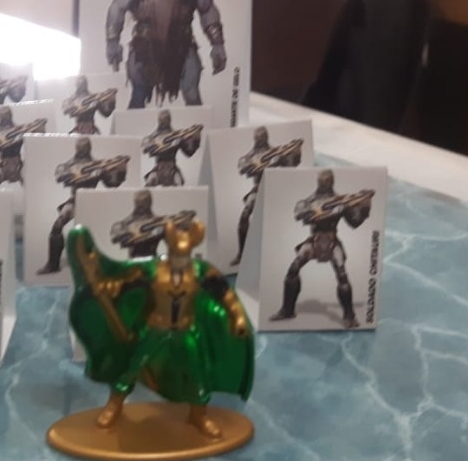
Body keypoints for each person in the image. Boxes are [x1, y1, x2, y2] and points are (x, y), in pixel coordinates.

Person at [67, 220, 254, 438]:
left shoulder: (200, 271)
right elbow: (125, 284)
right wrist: (104, 286)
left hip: (185, 332)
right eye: (176, 254)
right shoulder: (153, 270)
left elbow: (225, 294)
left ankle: (199, 414)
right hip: (155, 330)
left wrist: (237, 317)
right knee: (133, 367)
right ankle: (114, 405)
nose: (179, 260)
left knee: (197, 372)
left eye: (184, 256)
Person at [104, 0, 226, 108]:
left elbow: (207, 10)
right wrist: (112, 41)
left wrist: (217, 44)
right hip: (144, 46)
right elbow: (117, 8)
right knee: (138, 95)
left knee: (191, 93)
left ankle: (198, 126)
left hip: (182, 45)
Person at [270, 169, 374, 328]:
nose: (324, 183)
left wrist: (365, 207)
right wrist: (329, 211)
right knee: (293, 270)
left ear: (331, 181)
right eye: (322, 180)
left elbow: (355, 223)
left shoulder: (343, 201)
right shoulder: (311, 200)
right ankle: (287, 310)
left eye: (326, 180)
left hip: (332, 242)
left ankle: (349, 316)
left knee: (342, 276)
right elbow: (302, 216)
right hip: (314, 241)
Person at [36, 137, 129, 274]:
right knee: (57, 227)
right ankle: (53, 264)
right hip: (75, 201)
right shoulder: (70, 165)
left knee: (100, 232)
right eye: (80, 147)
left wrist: (121, 171)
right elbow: (61, 177)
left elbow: (111, 184)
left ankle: (102, 263)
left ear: (89, 148)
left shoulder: (99, 166)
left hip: (92, 201)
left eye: (84, 147)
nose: (82, 150)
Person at [231, 127, 303, 265]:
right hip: (258, 189)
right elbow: (243, 168)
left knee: (284, 220)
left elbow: (291, 166)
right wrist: (256, 164)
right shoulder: (251, 155)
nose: (260, 140)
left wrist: (295, 152)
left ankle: (282, 254)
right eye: (258, 138)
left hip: (275, 189)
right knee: (245, 215)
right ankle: (241, 254)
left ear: (266, 137)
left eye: (262, 137)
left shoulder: (277, 152)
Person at [110, 189, 195, 258]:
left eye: (144, 202)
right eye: (139, 202)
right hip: (134, 261)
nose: (142, 205)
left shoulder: (161, 223)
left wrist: (180, 224)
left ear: (149, 202)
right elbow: (119, 238)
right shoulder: (124, 224)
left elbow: (178, 234)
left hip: (152, 261)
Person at [0, 106, 46, 188]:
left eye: (7, 115)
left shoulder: (19, 129)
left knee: (30, 182)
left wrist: (37, 126)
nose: (5, 118)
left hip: (18, 165)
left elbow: (38, 132)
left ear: (10, 115)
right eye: (3, 116)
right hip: (4, 166)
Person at [141, 110, 202, 187]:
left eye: (165, 119)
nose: (164, 122)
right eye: (162, 120)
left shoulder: (177, 137)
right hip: (158, 169)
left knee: (179, 187)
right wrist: (158, 146)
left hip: (172, 169)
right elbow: (147, 150)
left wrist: (196, 140)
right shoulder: (153, 137)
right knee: (148, 184)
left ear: (169, 120)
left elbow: (189, 152)